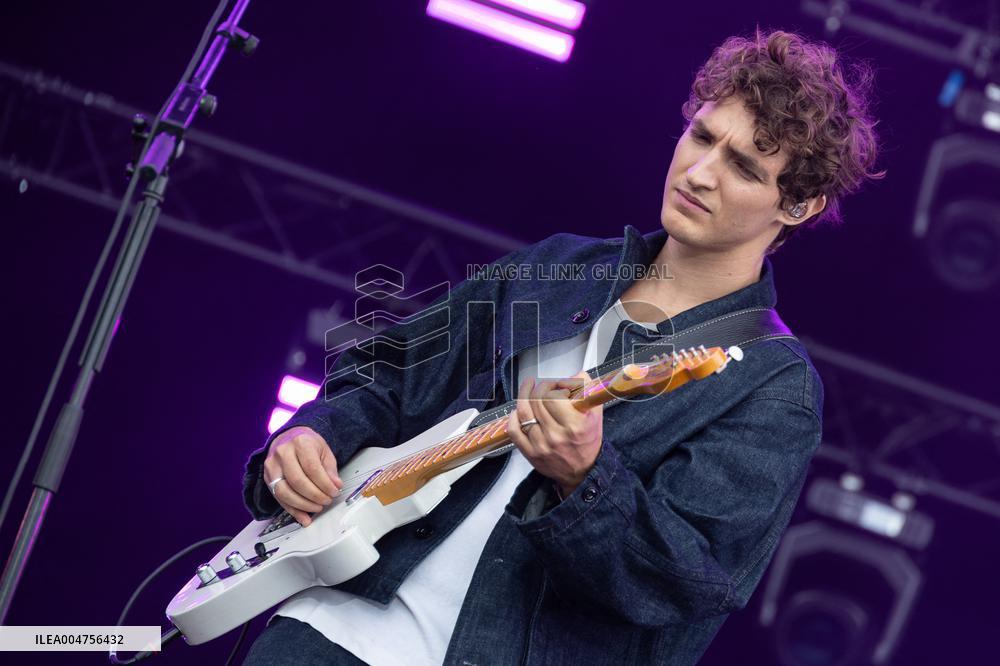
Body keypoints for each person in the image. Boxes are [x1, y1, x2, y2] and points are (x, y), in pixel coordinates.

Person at [241, 29, 882, 665]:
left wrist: (585, 479)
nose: (701, 173)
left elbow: (684, 584)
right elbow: (392, 368)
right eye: (703, 137)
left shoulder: (772, 387)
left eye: (743, 167)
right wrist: (314, 432)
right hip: (325, 629)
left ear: (798, 206)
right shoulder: (562, 265)